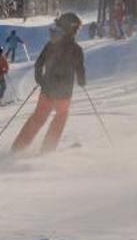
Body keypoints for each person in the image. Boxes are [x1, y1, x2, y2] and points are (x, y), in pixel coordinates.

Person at [12, 12, 86, 155]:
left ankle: (17, 149)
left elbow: (38, 64)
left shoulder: (51, 44)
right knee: (61, 116)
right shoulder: (76, 49)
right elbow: (80, 69)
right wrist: (82, 81)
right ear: (72, 29)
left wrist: (41, 80)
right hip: (64, 94)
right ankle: (47, 150)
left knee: (38, 118)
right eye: (77, 30)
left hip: (47, 91)